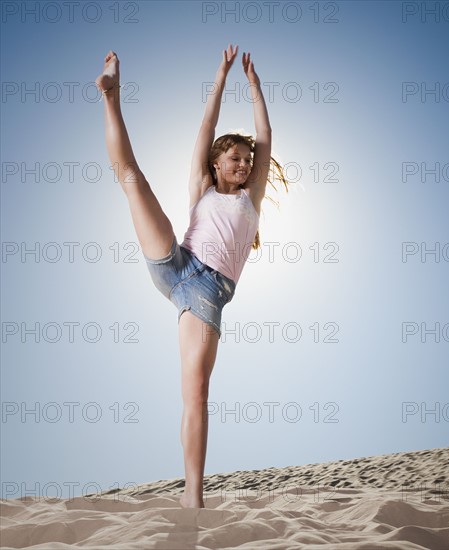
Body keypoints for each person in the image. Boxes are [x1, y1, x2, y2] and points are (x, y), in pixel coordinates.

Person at [95, 44, 287, 508]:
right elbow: (206, 127)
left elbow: (266, 133)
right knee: (132, 181)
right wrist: (220, 77)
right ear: (217, 164)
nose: (243, 165)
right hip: (176, 263)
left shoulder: (251, 197)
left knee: (196, 392)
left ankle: (192, 496)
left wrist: (256, 87)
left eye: (247, 160)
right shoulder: (201, 187)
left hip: (206, 293)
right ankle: (110, 95)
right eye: (234, 158)